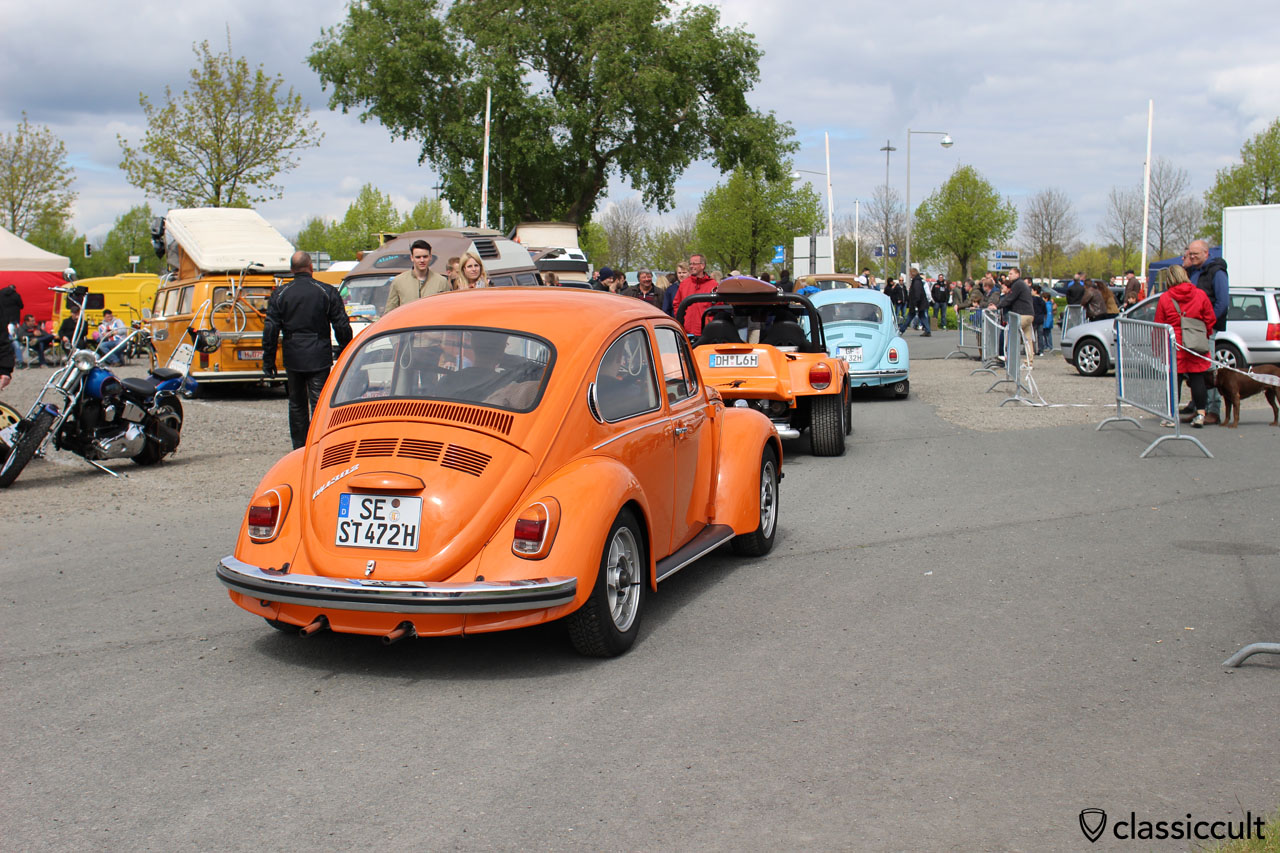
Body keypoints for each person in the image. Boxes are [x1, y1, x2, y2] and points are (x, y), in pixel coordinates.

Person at [262, 252, 353, 449]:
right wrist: (347, 350)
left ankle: (299, 447)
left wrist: (268, 361)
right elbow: (341, 325)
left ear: (291, 270)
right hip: (319, 353)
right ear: (311, 267)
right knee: (319, 403)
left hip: (293, 353)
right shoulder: (325, 291)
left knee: (296, 403)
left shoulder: (280, 294)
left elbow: (270, 329)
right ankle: (320, 444)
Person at [1155, 265, 1216, 428]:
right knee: (1197, 379)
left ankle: (1171, 416)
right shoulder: (1200, 294)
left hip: (1174, 343)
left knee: (1175, 381)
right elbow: (1210, 318)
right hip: (1195, 342)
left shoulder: (1165, 298)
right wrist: (1204, 334)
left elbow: (1159, 324)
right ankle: (1201, 414)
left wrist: (1157, 348)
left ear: (1169, 279)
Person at [1182, 239, 1229, 424]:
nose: (1192, 257)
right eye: (1190, 254)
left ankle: (1214, 410)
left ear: (1206, 253)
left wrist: (1209, 324)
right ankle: (1199, 407)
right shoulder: (1195, 272)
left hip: (1206, 328)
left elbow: (1222, 302)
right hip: (1194, 327)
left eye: (1196, 254)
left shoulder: (1217, 272)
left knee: (1208, 368)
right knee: (1195, 368)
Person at [384, 239, 450, 313]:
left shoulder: (441, 282)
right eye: (418, 257)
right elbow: (390, 312)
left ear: (430, 257)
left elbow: (447, 310)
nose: (422, 260)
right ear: (412, 258)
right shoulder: (399, 281)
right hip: (408, 323)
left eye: (425, 257)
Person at [990, 267, 1036, 366]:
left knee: (1011, 333)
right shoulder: (1021, 284)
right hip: (1029, 314)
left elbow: (1010, 299)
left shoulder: (1017, 284)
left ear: (1017, 274)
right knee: (1028, 339)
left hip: (1022, 314)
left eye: (1011, 274)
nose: (1009, 275)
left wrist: (997, 306)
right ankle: (1029, 362)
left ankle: (1009, 358)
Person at [672, 254, 718, 335]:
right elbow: (676, 304)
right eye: (690, 264)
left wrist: (710, 321)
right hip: (687, 332)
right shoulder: (684, 284)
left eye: (694, 264)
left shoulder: (713, 285)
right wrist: (682, 321)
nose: (691, 266)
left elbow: (718, 307)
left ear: (702, 266)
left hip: (706, 332)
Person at [898, 268, 931, 336]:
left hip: (917, 303)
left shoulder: (916, 282)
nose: (909, 275)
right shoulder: (918, 281)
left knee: (909, 316)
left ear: (912, 274)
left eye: (910, 273)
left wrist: (915, 304)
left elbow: (917, 294)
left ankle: (902, 330)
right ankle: (928, 330)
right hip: (920, 303)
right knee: (922, 317)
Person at [1, 283, 24, 368]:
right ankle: (19, 360)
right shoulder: (16, 295)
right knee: (16, 340)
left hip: (3, 319)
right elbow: (21, 305)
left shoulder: (1, 294)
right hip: (14, 319)